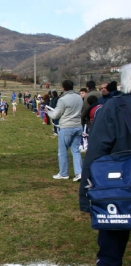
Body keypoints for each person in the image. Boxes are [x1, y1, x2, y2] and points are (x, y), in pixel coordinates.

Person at [79, 63, 131, 266]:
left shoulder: (113, 108)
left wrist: (86, 196)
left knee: (110, 254)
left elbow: (96, 153)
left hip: (117, 192)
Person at [45, 80, 83, 181]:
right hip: (78, 126)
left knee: (62, 151)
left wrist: (48, 112)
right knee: (76, 150)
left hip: (66, 127)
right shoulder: (79, 97)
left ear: (63, 88)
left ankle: (63, 173)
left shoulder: (63, 100)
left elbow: (56, 114)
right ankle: (79, 173)